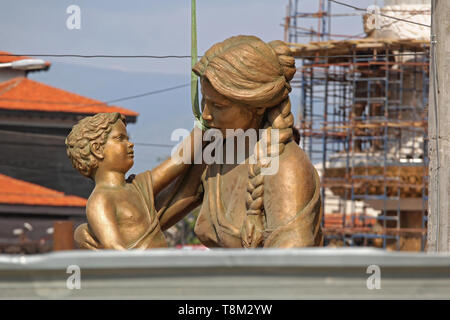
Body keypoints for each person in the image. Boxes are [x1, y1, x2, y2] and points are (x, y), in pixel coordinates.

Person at [74, 35, 323, 249]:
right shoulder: (215, 155)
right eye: (205, 101)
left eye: (219, 106)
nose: (205, 114)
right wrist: (88, 232)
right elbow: (141, 221)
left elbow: (290, 272)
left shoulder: (287, 168)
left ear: (256, 106)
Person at [66, 112, 198, 249]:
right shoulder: (101, 200)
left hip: (160, 265)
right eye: (120, 138)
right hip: (139, 268)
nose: (130, 144)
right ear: (97, 149)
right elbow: (114, 248)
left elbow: (179, 160)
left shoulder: (137, 185)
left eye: (127, 138)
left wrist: (202, 127)